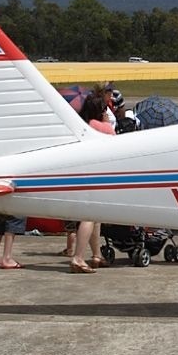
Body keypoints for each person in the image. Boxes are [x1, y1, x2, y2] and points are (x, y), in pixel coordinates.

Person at [69, 92, 115, 274]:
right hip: (99, 177)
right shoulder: (103, 127)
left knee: (94, 217)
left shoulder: (82, 126)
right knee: (89, 217)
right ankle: (78, 257)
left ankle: (96, 255)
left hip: (82, 175)